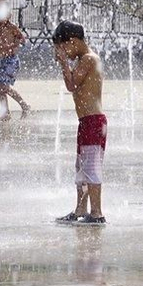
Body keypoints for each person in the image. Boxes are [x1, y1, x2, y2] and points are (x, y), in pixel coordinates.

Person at [52, 21, 107, 225]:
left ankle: (97, 213)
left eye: (64, 47)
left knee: (91, 167)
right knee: (81, 168)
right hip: (86, 122)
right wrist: (65, 62)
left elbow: (72, 85)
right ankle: (80, 209)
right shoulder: (84, 59)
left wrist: (64, 63)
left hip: (94, 121)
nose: (63, 52)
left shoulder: (89, 59)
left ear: (73, 41)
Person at [0, 0, 31, 118]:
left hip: (11, 60)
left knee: (3, 86)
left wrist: (14, 45)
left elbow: (22, 39)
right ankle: (6, 112)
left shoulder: (12, 27)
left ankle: (24, 105)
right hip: (1, 60)